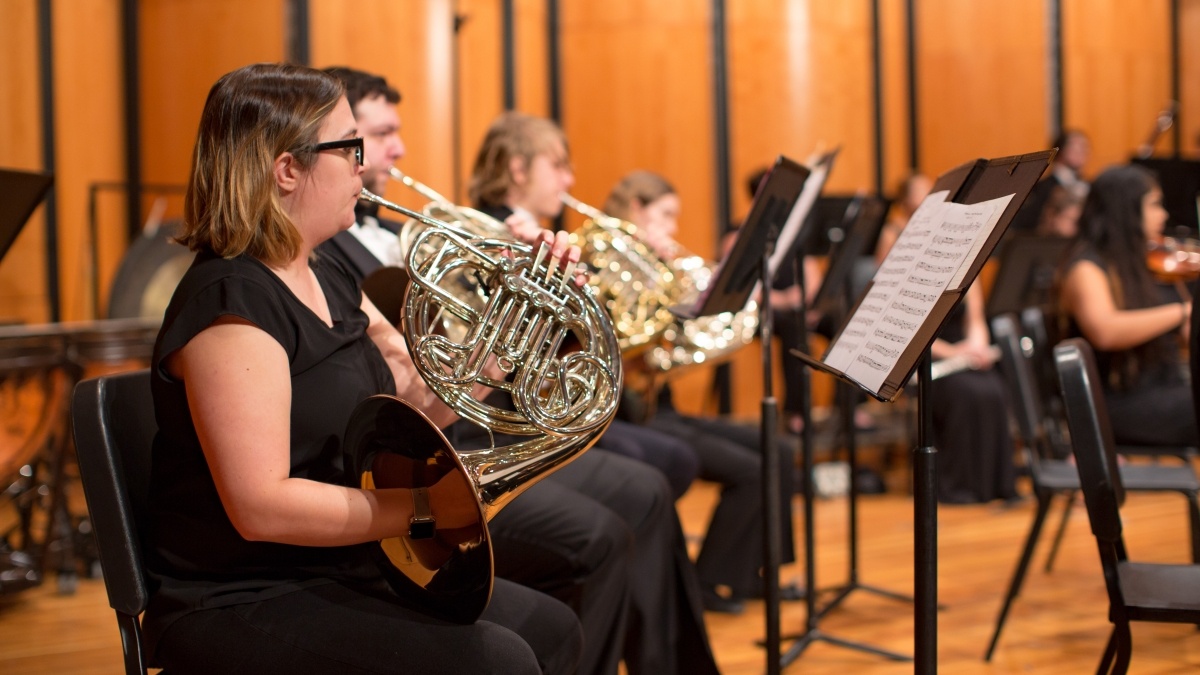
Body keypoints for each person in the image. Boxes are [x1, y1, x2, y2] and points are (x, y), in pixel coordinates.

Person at [144, 62, 582, 674]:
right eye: (349, 145)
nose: (362, 162)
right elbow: (261, 506)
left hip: (346, 562)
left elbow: (415, 404)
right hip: (243, 594)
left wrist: (517, 326)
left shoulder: (327, 272)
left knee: (554, 630)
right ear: (287, 169)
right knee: (499, 663)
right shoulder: (231, 306)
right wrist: (426, 508)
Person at [313, 68, 703, 675]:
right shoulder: (328, 254)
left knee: (647, 492)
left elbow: (471, 354)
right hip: (446, 439)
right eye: (378, 133)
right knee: (607, 530)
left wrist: (531, 290)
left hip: (465, 414)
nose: (396, 149)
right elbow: (409, 372)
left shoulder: (394, 232)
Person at [469, 111, 719, 674]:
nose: (569, 179)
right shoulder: (485, 235)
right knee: (646, 487)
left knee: (654, 482)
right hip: (508, 426)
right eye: (557, 164)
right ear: (516, 167)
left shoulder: (550, 240)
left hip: (552, 413)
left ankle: (671, 661)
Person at [602, 170, 802, 614]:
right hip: (635, 417)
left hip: (660, 406)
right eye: (666, 215)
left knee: (781, 449)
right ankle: (708, 581)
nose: (674, 228)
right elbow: (624, 346)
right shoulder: (611, 263)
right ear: (636, 209)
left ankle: (754, 572)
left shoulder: (655, 268)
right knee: (752, 470)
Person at [877, 173, 1019, 504]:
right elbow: (906, 325)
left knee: (994, 389)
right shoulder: (900, 245)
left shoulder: (965, 248)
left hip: (962, 352)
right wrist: (953, 353)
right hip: (927, 355)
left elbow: (976, 316)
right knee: (967, 391)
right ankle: (959, 486)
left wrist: (976, 346)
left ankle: (995, 485)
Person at [1058, 163, 1198, 449]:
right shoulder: (1087, 267)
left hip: (1164, 390)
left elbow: (1185, 337)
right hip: (1118, 404)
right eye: (1155, 205)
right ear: (1126, 210)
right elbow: (1105, 331)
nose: (1164, 215)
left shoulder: (1145, 264)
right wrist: (1183, 312)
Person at [1010, 128, 1091, 233]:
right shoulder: (1042, 188)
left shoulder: (1088, 185)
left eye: (1085, 147)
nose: (1082, 151)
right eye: (1076, 147)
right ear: (1060, 149)